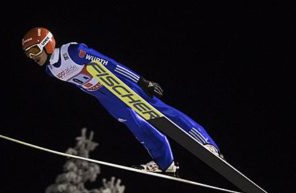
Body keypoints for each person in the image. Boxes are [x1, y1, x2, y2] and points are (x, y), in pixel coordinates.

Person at [21, 27, 223, 176]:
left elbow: (110, 63)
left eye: (34, 51)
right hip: (103, 96)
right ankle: (166, 164)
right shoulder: (51, 71)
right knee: (135, 124)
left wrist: (142, 81)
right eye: (29, 54)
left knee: (159, 112)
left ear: (47, 44)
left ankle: (207, 143)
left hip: (118, 84)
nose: (32, 57)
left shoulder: (73, 52)